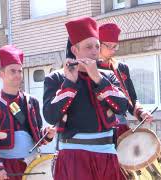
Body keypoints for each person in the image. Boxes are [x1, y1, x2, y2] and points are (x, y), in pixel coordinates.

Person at [43, 16, 128, 180]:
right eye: (89, 47)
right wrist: (70, 83)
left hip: (107, 154)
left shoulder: (108, 76)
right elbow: (50, 115)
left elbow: (122, 107)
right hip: (73, 157)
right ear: (75, 50)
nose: (95, 51)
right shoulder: (56, 79)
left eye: (97, 46)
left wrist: (98, 79)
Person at [0, 45, 56, 180]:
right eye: (12, 71)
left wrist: (46, 134)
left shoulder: (32, 101)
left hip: (31, 163)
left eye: (19, 71)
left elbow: (36, 135)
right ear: (2, 74)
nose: (17, 75)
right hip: (5, 165)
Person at [98, 23, 153, 137]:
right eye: (109, 46)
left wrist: (141, 113)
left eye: (115, 46)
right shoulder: (90, 68)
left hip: (121, 125)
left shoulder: (121, 68)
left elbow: (131, 98)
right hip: (99, 127)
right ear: (98, 45)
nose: (113, 50)